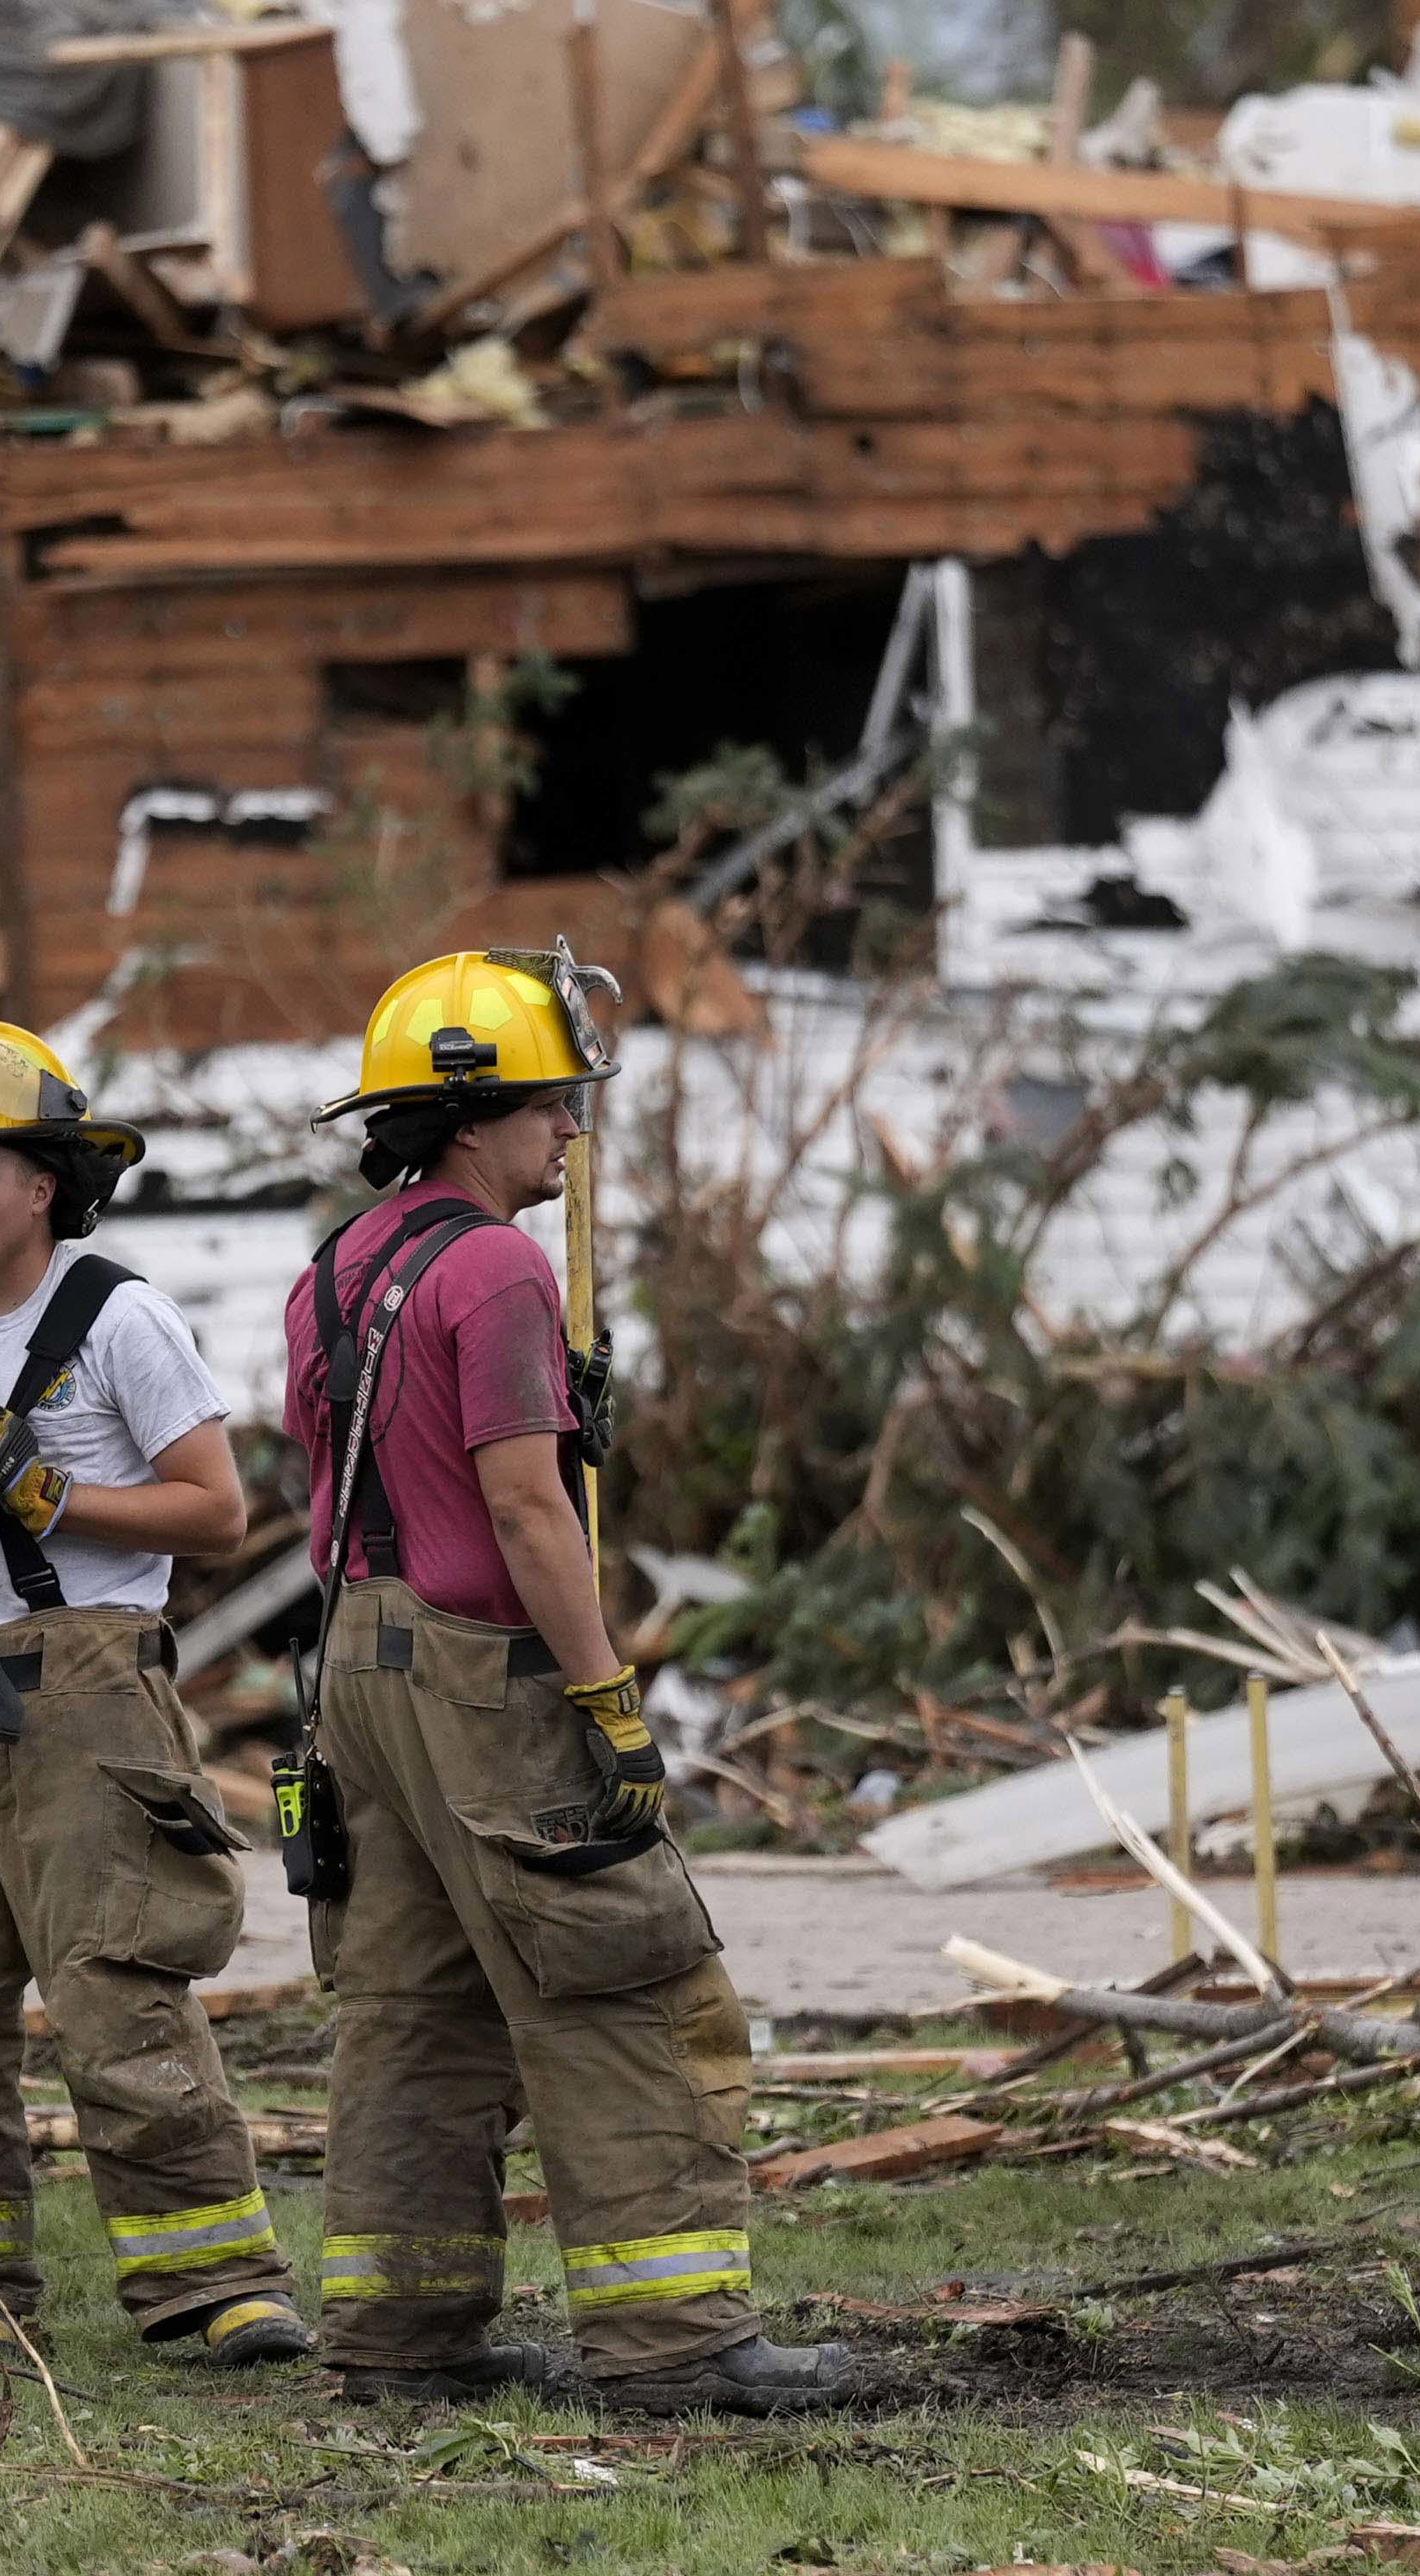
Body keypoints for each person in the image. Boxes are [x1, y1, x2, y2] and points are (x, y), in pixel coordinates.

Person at [278, 950, 857, 2416]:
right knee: (621, 1970)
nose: (568, 1136)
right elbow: (532, 1513)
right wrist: (607, 1702)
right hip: (486, 1676)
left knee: (411, 2000)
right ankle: (675, 2343)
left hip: (357, 1662)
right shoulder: (500, 1267)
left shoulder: (335, 1270)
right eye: (550, 1108)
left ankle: (400, 2336)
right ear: (473, 1120)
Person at [0, 1018, 313, 2373]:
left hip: (83, 1697)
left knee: (120, 1996)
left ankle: (211, 2286)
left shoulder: (121, 1318)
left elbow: (215, 1511)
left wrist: (51, 1492)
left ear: (45, 1183)